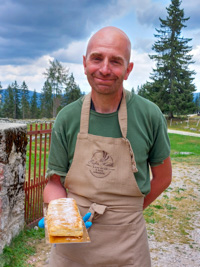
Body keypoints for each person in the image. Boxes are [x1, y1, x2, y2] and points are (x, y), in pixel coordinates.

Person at [43, 26, 172, 267]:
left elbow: (163, 177)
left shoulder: (149, 115)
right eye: (97, 58)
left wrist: (127, 214)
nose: (104, 69)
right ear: (84, 63)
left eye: (115, 61)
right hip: (73, 244)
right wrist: (59, 215)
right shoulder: (67, 118)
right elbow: (54, 183)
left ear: (128, 69)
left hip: (128, 244)